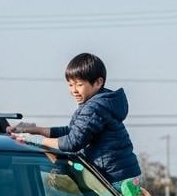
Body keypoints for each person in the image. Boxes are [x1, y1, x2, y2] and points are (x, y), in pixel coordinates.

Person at [8, 52, 139, 185]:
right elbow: (72, 132)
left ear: (98, 82)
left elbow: (72, 142)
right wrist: (36, 130)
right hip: (122, 175)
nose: (74, 90)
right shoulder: (100, 103)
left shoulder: (94, 107)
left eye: (79, 85)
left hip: (116, 179)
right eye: (70, 85)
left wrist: (34, 140)